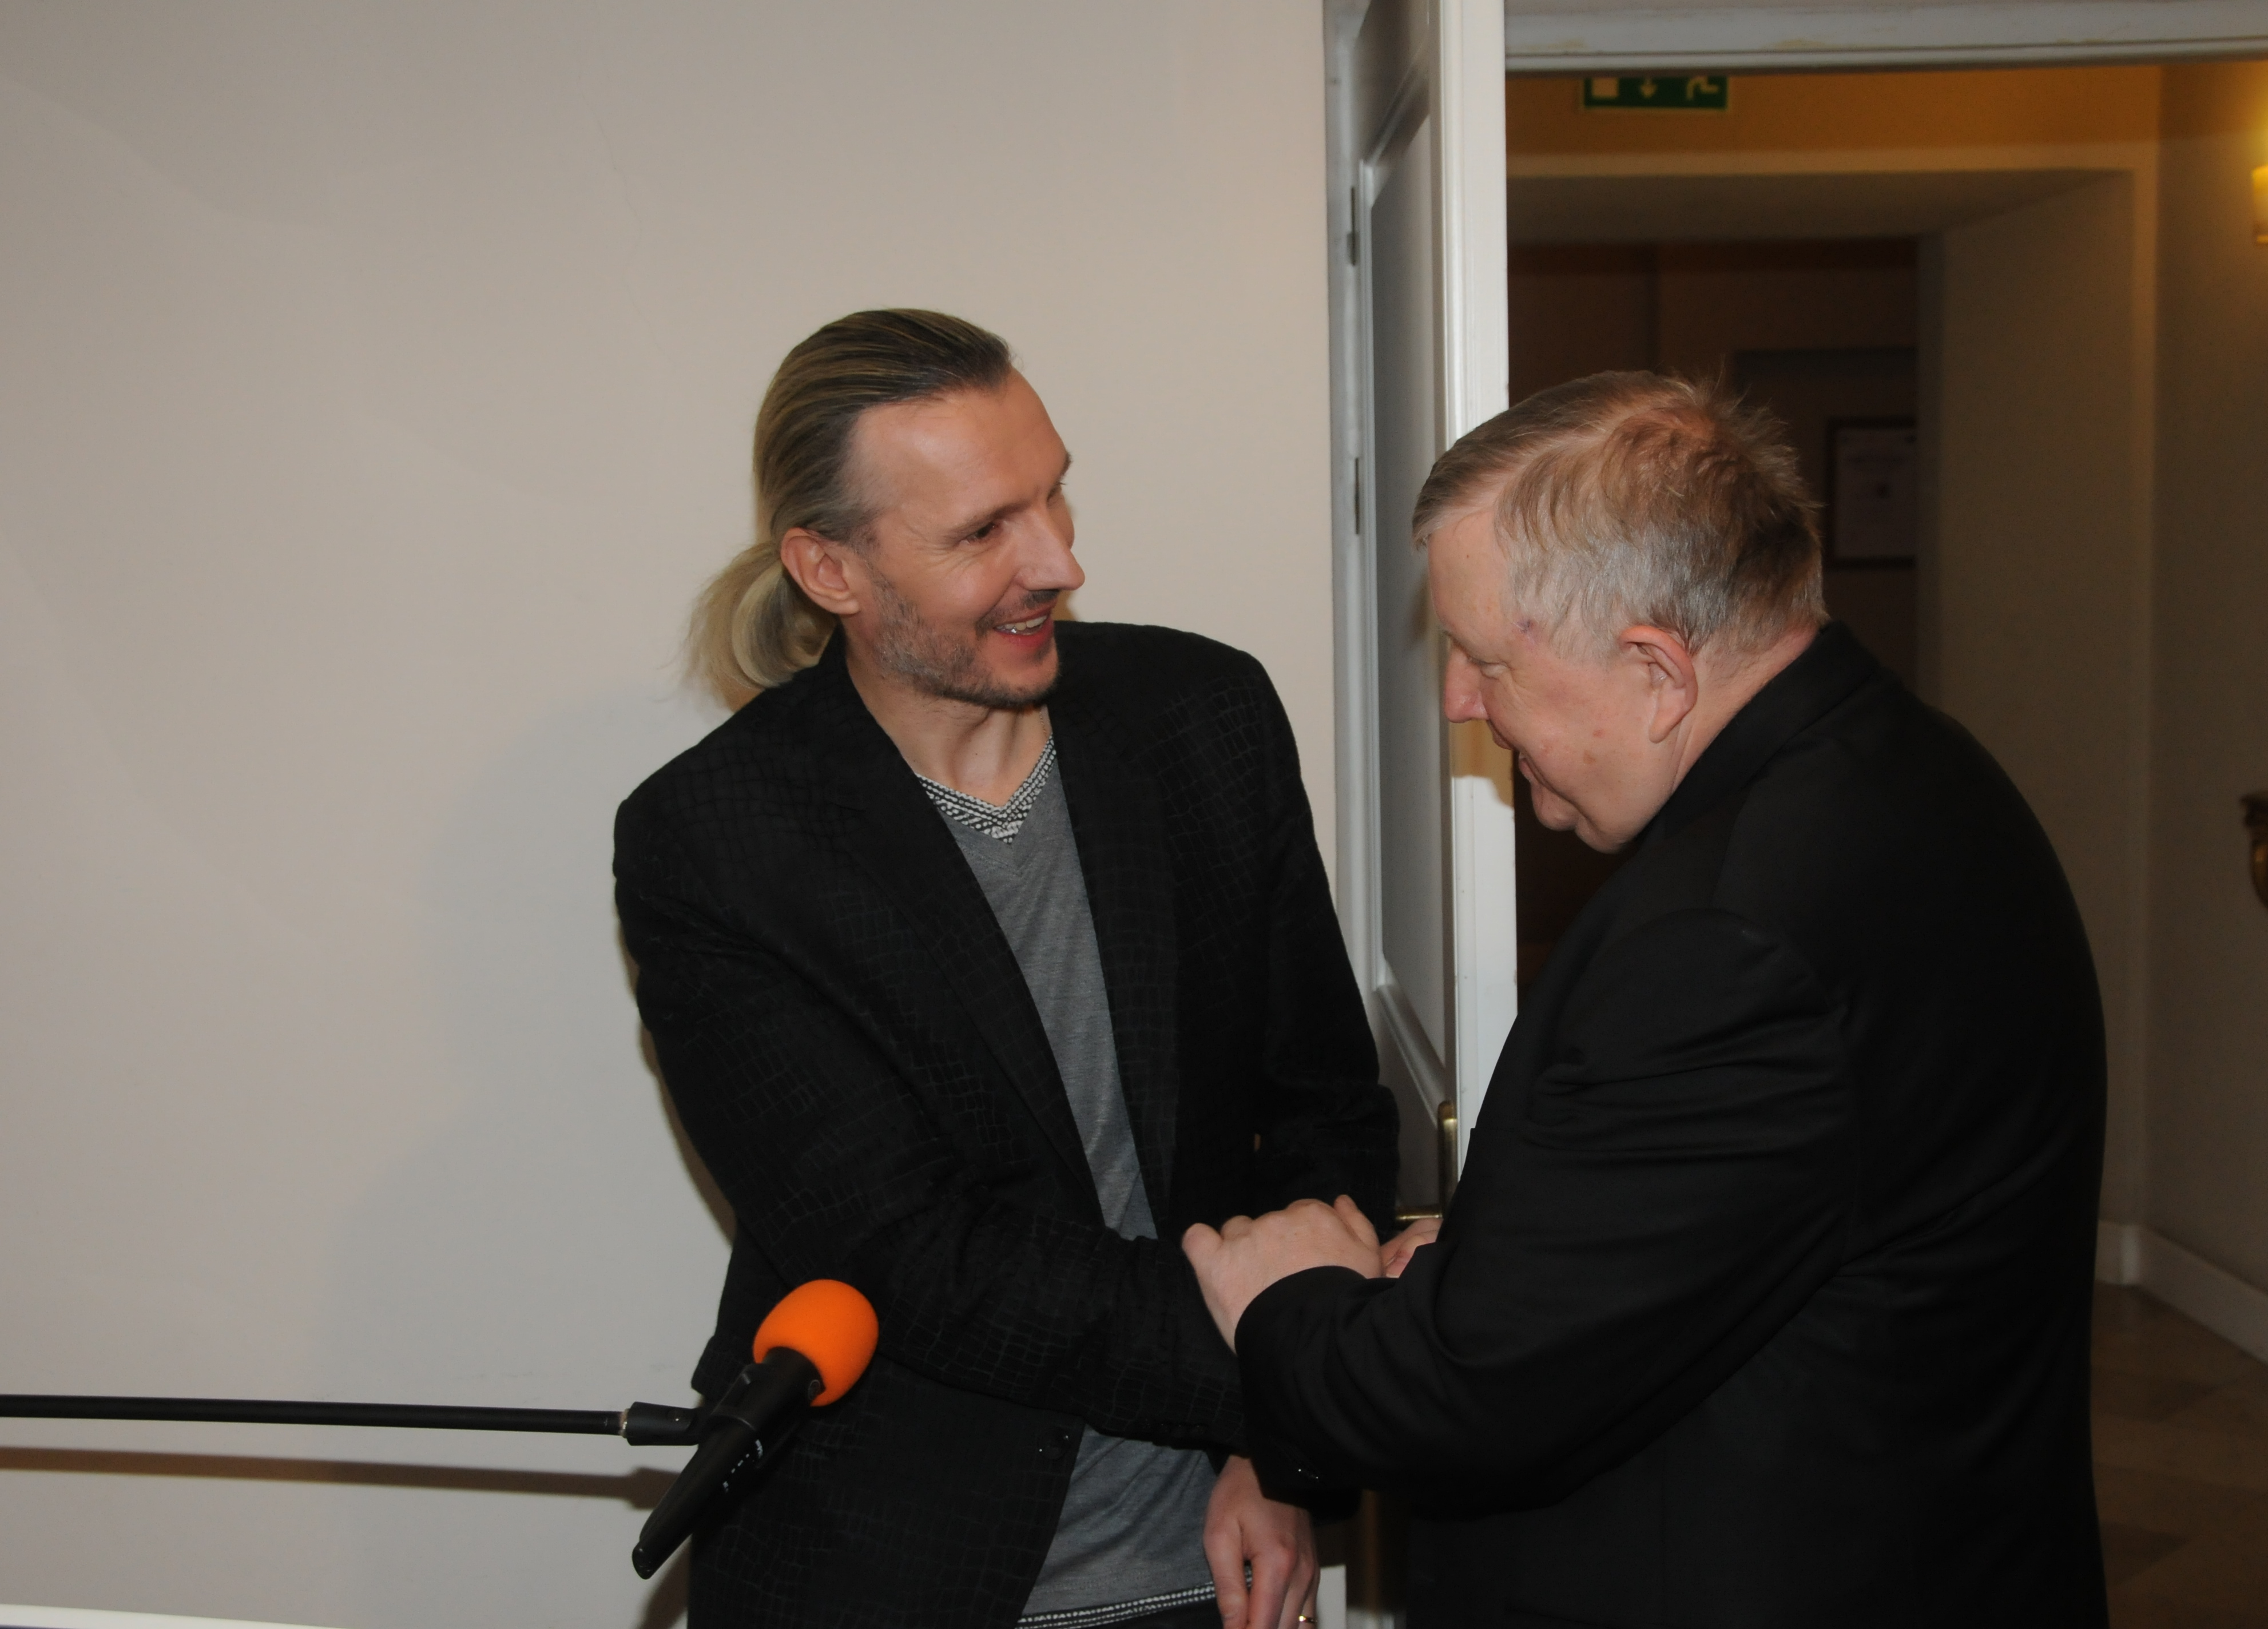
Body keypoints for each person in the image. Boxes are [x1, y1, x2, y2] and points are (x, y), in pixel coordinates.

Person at [1185, 372, 2110, 1627]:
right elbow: (1748, 1221)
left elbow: (1467, 1400)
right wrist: (1511, 1257)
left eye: (1486, 658)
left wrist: (1286, 1299)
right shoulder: (1913, 768)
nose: (1458, 698)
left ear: (1657, 672)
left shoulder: (1726, 941)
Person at [615, 309, 1397, 1629]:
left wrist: (1279, 1446)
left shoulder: (1203, 717)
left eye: (1053, 495)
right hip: (890, 1563)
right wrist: (1295, 1354)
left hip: (1209, 1562)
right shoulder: (716, 842)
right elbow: (911, 1252)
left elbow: (1322, 1107)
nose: (1058, 561)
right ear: (829, 567)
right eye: (982, 531)